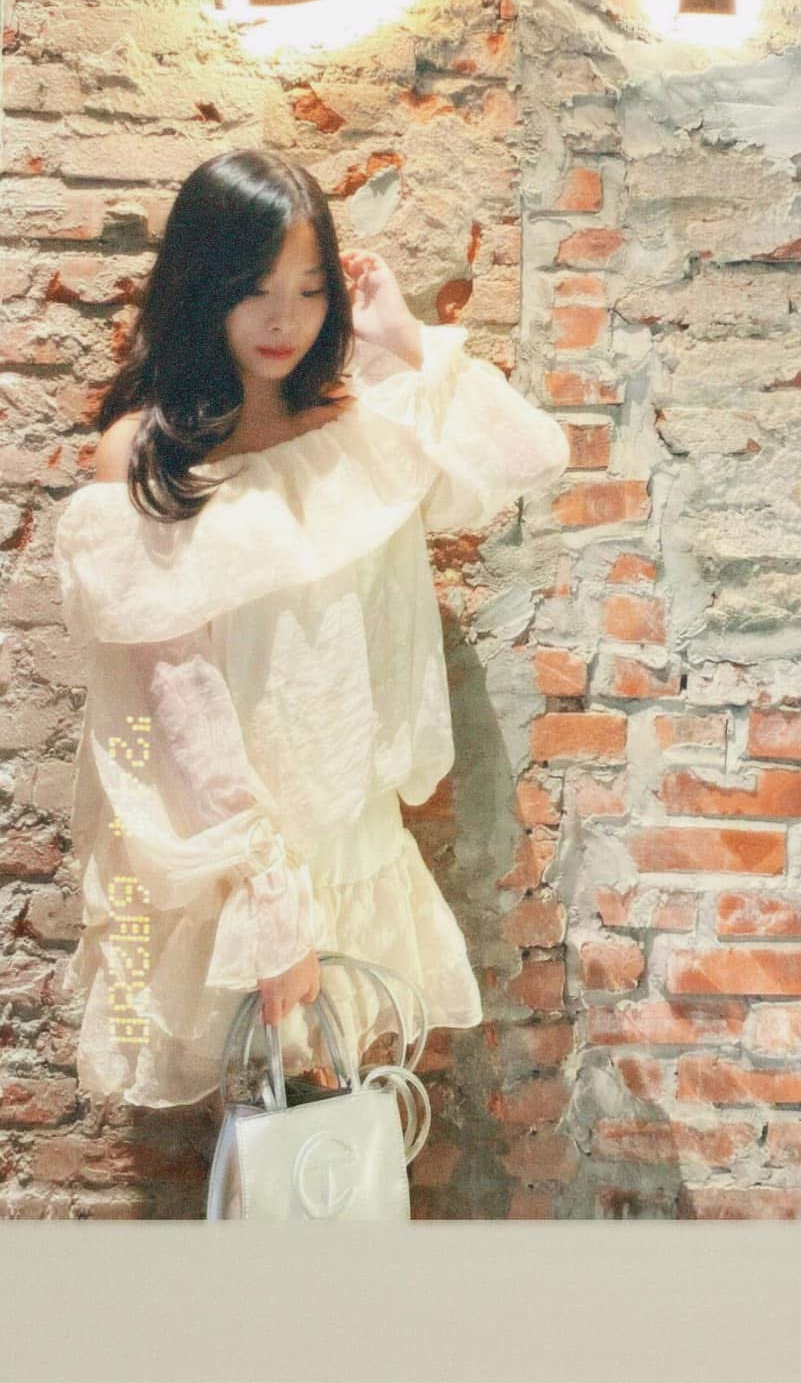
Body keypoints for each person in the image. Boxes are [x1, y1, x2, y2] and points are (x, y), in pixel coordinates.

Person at [51, 147, 571, 1122]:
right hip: (236, 856)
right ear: (202, 284)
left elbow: (531, 456)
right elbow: (175, 692)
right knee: (272, 1140)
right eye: (255, 288)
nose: (283, 319)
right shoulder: (147, 453)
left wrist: (407, 339)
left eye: (309, 287)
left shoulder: (360, 416)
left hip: (354, 834)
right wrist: (267, 891)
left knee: (337, 1134)